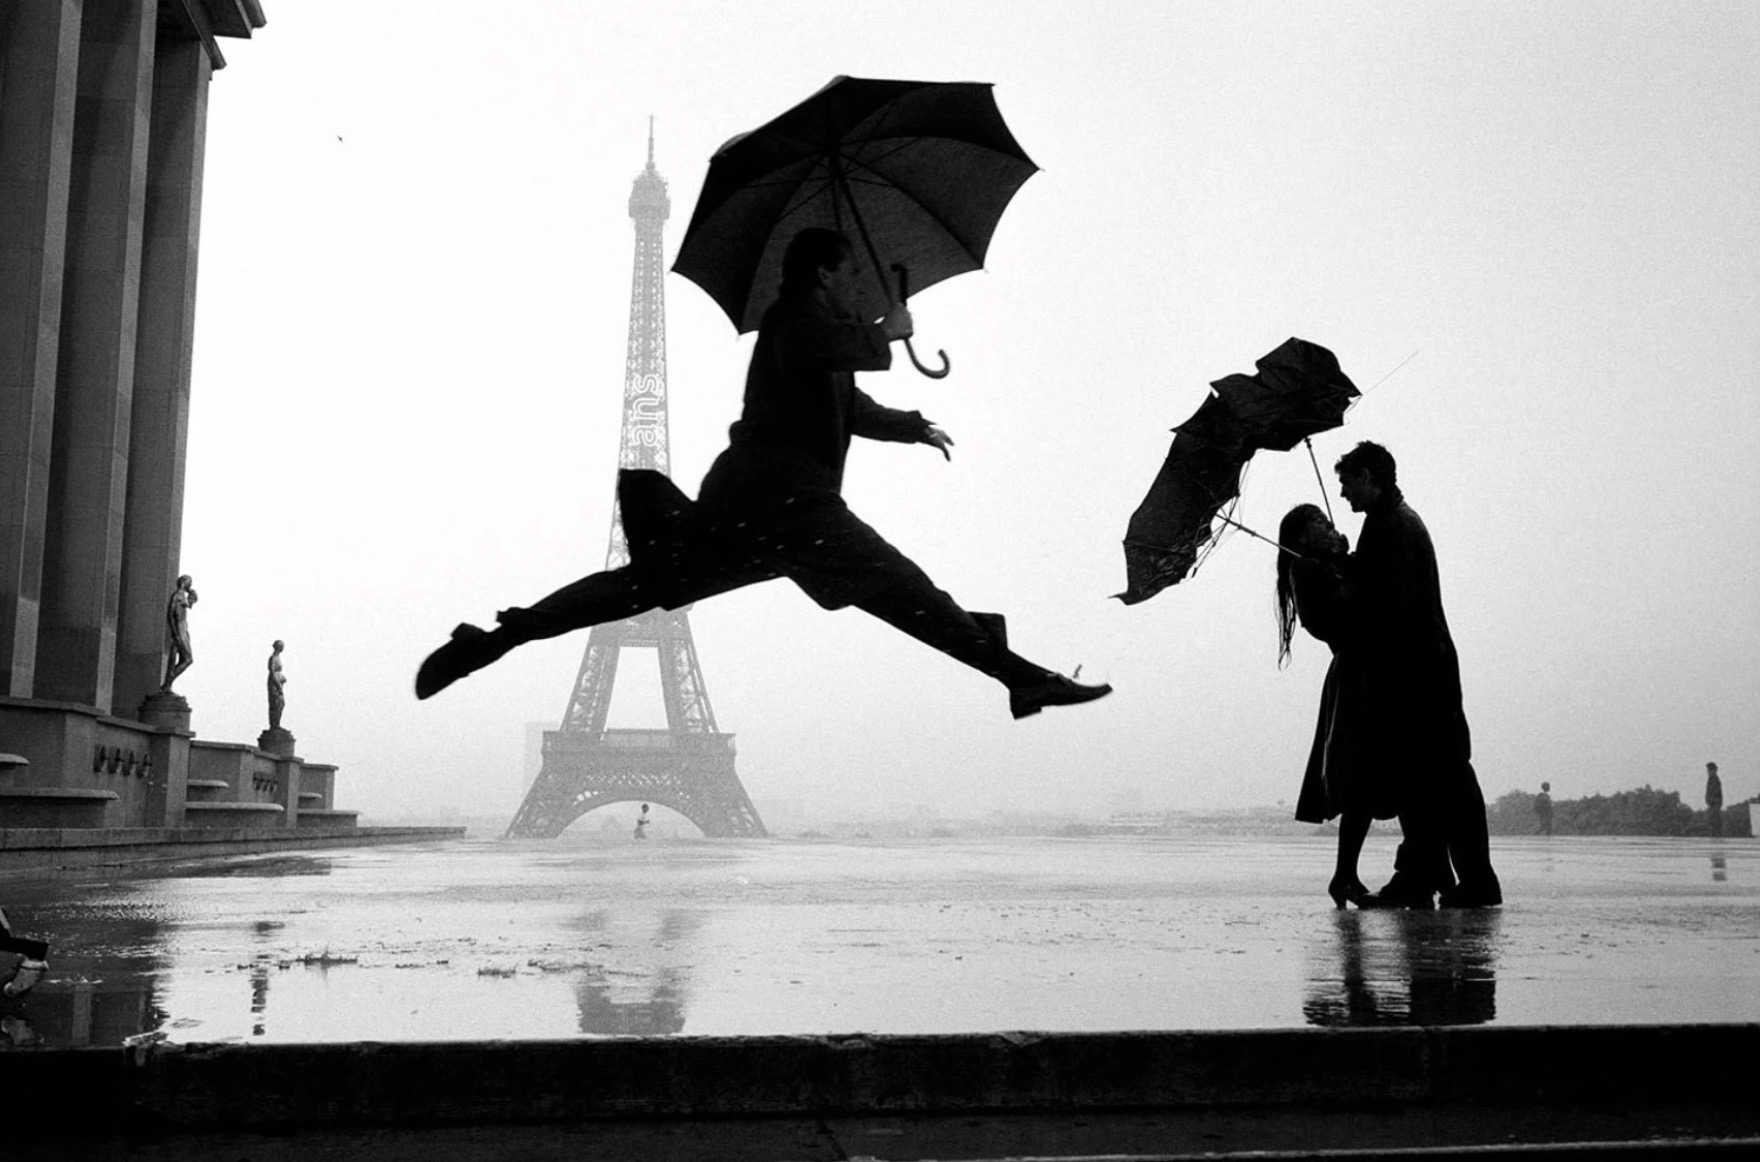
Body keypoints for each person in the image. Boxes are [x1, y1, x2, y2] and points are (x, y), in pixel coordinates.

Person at [416, 228, 1111, 720]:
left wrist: (912, 425)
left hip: (752, 507)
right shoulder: (793, 322)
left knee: (643, 587)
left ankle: (500, 637)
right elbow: (840, 354)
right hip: (785, 503)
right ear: (823, 275)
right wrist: (887, 332)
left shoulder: (814, 336)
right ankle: (1019, 675)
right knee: (901, 588)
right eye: (852, 276)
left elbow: (848, 405)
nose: (860, 287)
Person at [1334, 441, 1500, 909]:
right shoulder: (1388, 522)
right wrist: (1352, 565)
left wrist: (1347, 573)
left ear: (1369, 477)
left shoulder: (1394, 527)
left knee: (1438, 778)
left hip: (1418, 676)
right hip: (1422, 671)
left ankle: (1446, 880)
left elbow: (1392, 606)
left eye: (1348, 482)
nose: (1343, 493)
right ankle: (1439, 878)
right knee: (1433, 778)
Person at [1277, 504, 1396, 908]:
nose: (1330, 528)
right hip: (1356, 679)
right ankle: (1345, 875)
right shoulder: (1306, 570)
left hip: (1367, 673)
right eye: (1320, 524)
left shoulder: (1327, 565)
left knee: (1367, 778)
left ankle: (1345, 875)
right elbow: (1339, 617)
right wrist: (1343, 567)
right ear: (1301, 537)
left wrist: (1345, 562)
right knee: (1361, 778)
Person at [160, 574, 198, 692]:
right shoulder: (177, 596)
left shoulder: (182, 596)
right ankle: (168, 682)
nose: (190, 585)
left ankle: (167, 683)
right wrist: (175, 633)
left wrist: (192, 595)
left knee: (181, 660)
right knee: (188, 659)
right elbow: (170, 615)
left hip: (183, 630)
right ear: (184, 582)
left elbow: (189, 605)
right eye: (189, 583)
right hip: (180, 631)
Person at [266, 640, 287, 731]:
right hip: (274, 683)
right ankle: (274, 725)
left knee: (280, 703)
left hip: (278, 682)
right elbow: (272, 672)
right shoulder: (273, 658)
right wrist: (278, 685)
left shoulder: (277, 657)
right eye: (281, 646)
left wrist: (282, 678)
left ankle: (277, 723)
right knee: (276, 703)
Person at [1705, 761, 1723, 838]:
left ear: (1713, 770)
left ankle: (1716, 837)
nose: (1708, 772)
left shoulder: (1714, 779)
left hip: (1714, 804)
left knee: (1715, 822)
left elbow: (1715, 792)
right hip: (1713, 804)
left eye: (1709, 770)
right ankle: (1714, 836)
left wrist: (1710, 800)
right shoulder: (1712, 779)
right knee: (1712, 822)